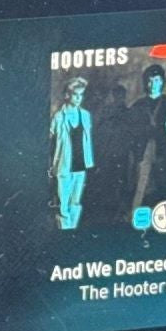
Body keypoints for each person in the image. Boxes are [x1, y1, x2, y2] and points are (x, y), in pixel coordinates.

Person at [129, 64, 166, 209]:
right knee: (140, 185)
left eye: (156, 80)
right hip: (144, 149)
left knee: (165, 184)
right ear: (146, 83)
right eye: (150, 81)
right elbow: (131, 130)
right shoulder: (138, 105)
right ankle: (134, 215)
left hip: (164, 149)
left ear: (162, 81)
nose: (153, 84)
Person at [49, 76, 94, 230]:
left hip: (80, 165)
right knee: (63, 205)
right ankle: (64, 232)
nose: (79, 98)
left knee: (75, 203)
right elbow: (49, 139)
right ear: (67, 95)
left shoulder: (85, 115)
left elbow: (86, 141)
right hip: (64, 166)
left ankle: (72, 231)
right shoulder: (58, 117)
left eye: (81, 95)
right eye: (75, 94)